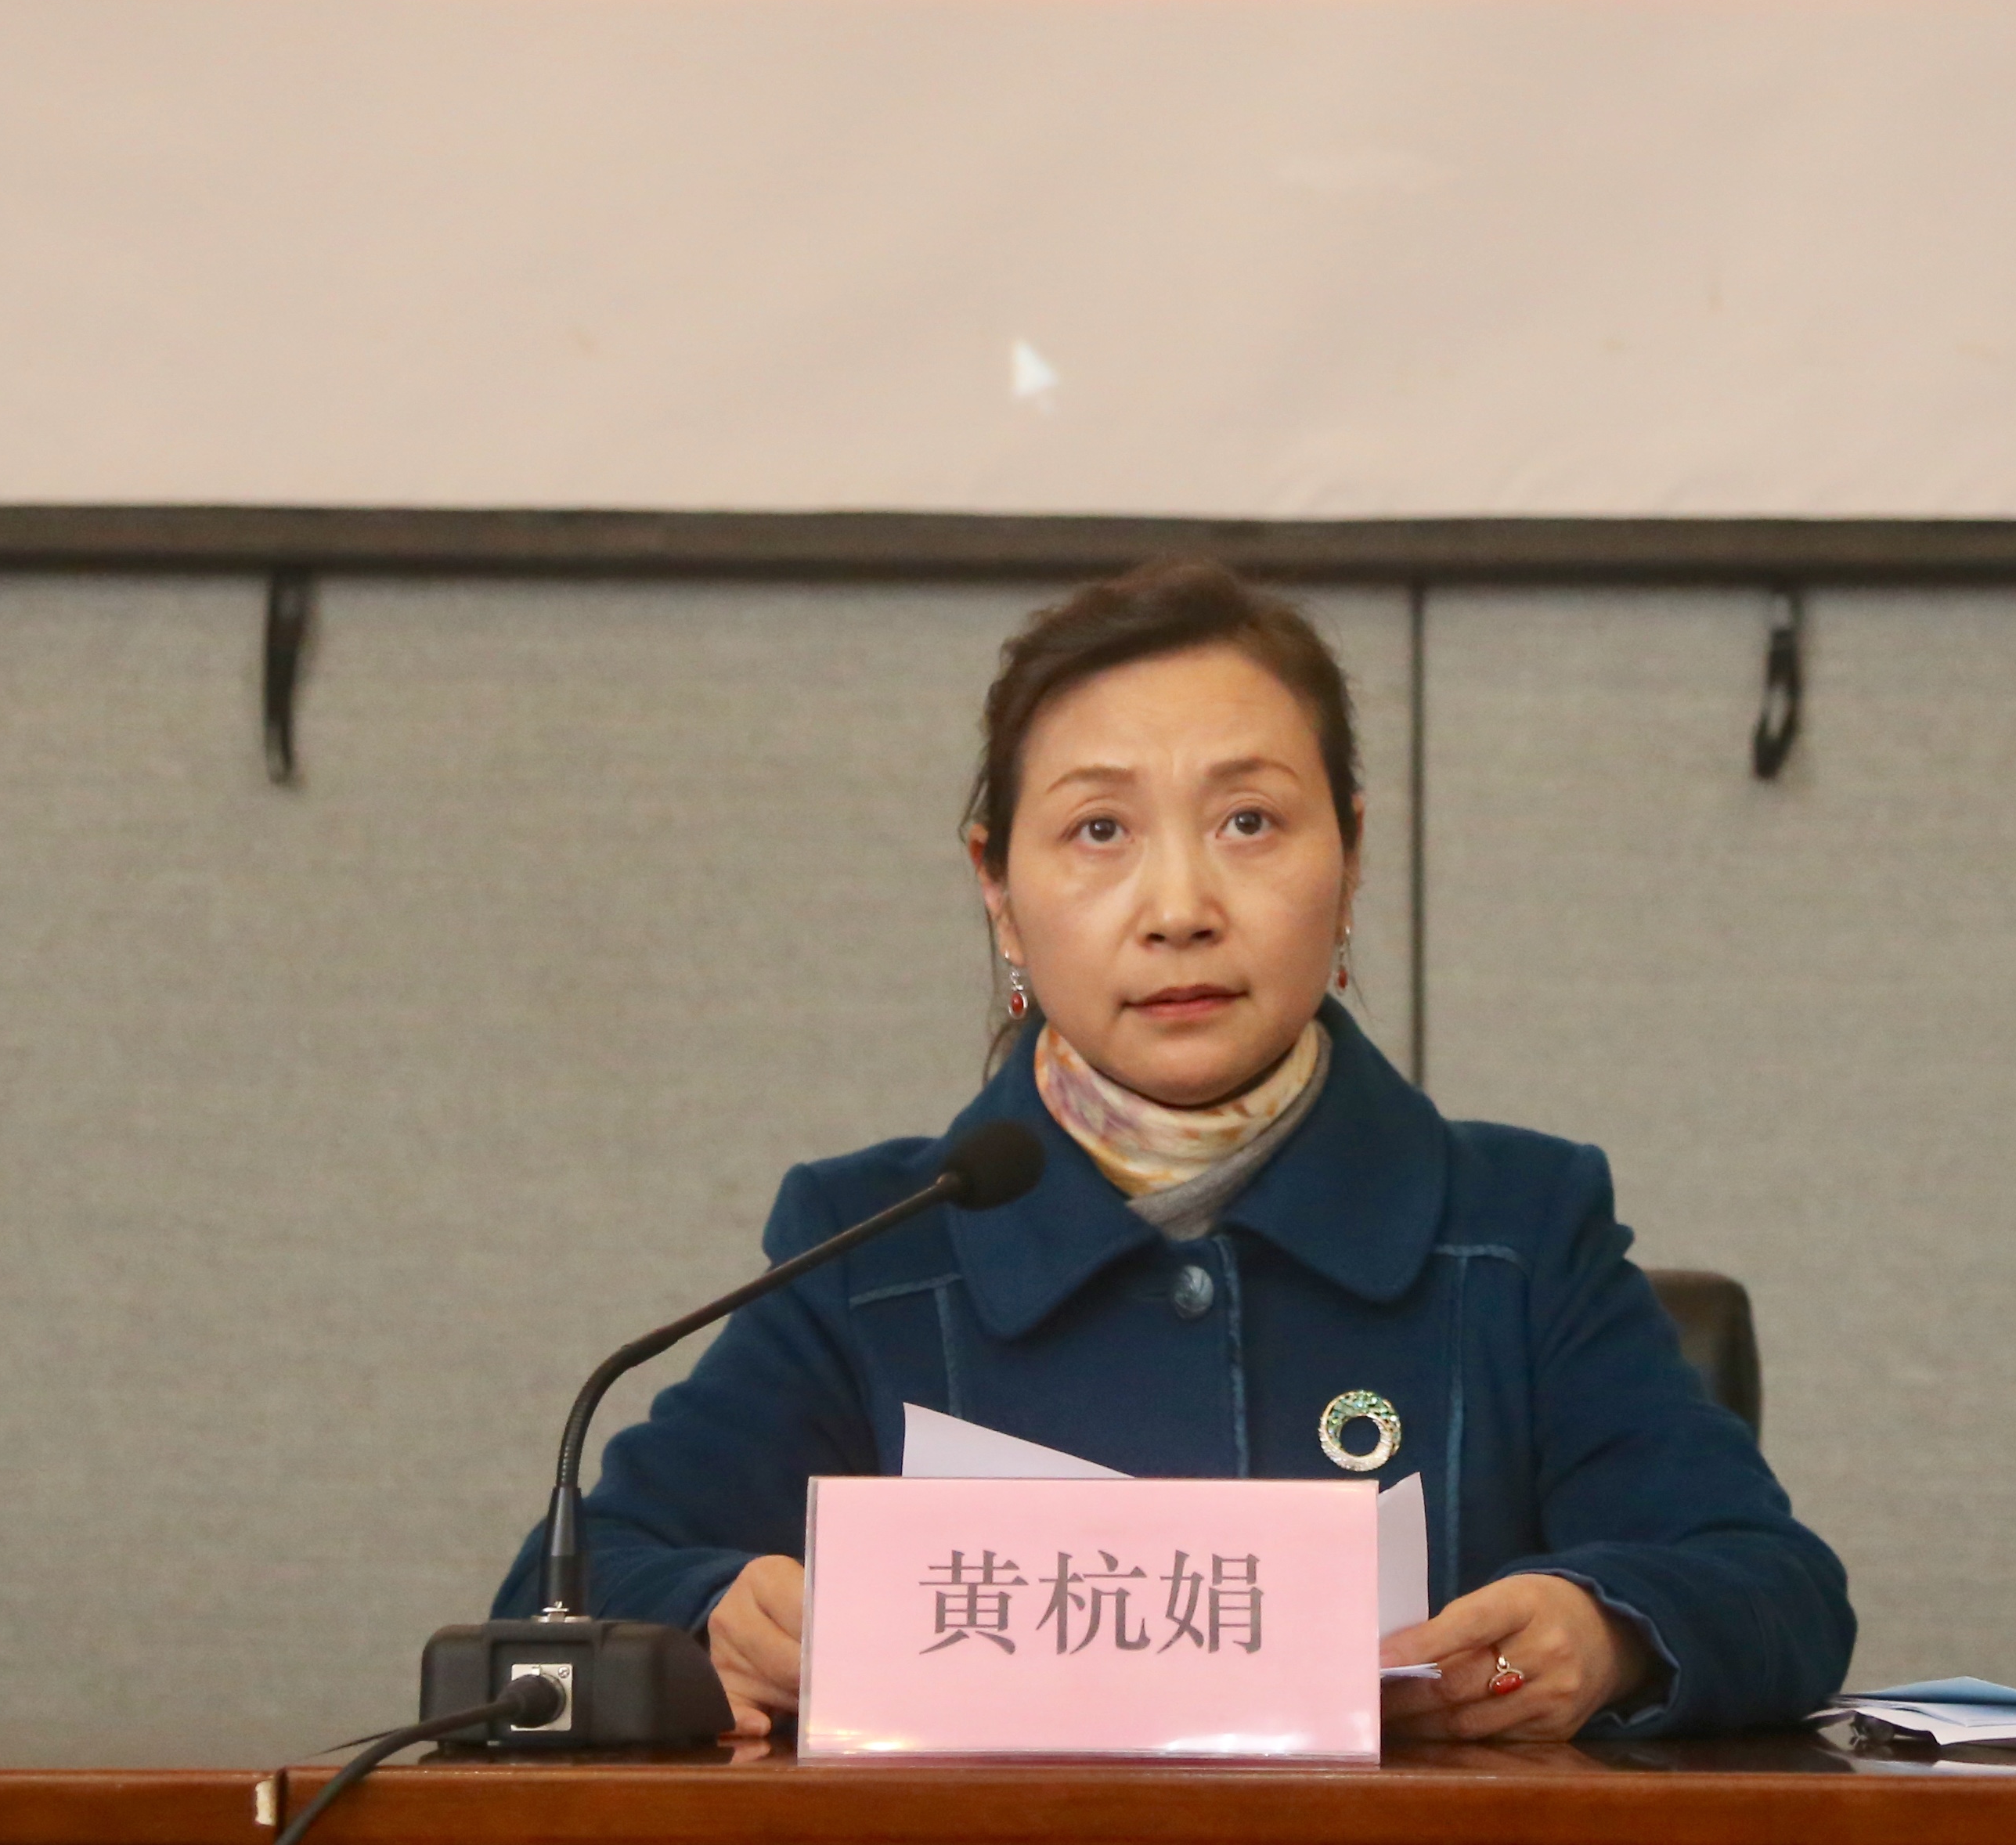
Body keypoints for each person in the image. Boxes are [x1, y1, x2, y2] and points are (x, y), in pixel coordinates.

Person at [492, 558, 1853, 1740]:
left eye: (1248, 822)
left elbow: (1774, 1586)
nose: (1180, 906)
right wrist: (719, 1616)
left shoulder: (1516, 1227)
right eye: (1098, 831)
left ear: (1350, 856)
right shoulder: (873, 1247)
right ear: (997, 890)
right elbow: (555, 1602)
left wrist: (1604, 1631)